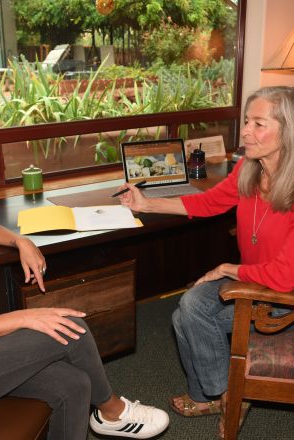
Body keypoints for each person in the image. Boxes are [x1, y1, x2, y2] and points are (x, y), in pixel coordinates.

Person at [0, 90, 170, 440]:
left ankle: (104, 410)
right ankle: (113, 411)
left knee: (75, 385)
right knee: (69, 327)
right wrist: (25, 318)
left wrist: (19, 240)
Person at [119, 86, 294, 438]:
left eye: (258, 124)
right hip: (254, 281)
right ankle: (225, 394)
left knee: (190, 312)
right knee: (186, 310)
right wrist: (146, 205)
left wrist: (228, 269)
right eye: (246, 121)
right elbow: (209, 202)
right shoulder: (249, 168)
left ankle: (216, 396)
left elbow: (286, 275)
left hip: (282, 293)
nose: (245, 131)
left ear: (288, 131)